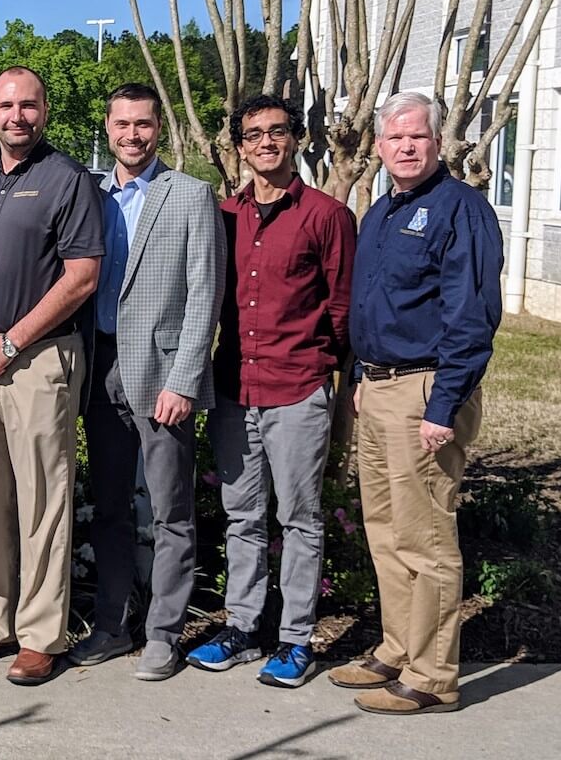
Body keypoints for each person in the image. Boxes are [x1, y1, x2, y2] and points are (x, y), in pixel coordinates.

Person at [332, 91, 502, 715]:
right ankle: (397, 648)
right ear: (378, 147)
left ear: (437, 143)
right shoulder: (380, 211)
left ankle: (433, 678)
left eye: (418, 137)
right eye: (395, 138)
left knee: (427, 536)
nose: (406, 147)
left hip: (426, 391)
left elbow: (473, 318)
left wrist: (443, 406)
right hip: (377, 388)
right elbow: (369, 308)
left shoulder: (462, 211)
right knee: (386, 529)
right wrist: (357, 380)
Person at [0, 66, 104, 686]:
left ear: (44, 110)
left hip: (38, 361)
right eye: (6, 105)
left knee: (44, 502)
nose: (17, 116)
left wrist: (13, 341)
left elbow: (81, 277)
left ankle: (41, 634)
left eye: (28, 105)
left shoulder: (68, 181)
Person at [186, 95, 355, 688]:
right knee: (241, 516)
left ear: (296, 139)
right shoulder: (224, 215)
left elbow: (340, 308)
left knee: (301, 518)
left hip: (297, 388)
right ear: (239, 147)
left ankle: (295, 638)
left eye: (277, 132)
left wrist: (322, 371)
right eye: (253, 134)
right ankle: (242, 627)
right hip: (235, 387)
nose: (266, 143)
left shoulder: (327, 216)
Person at [69, 83, 224, 682]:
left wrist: (184, 379)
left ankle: (163, 631)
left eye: (143, 124)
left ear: (161, 129)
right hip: (100, 373)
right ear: (107, 128)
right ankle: (111, 622)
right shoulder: (91, 195)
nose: (132, 135)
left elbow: (205, 295)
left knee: (170, 512)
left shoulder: (188, 195)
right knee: (107, 507)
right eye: (122, 124)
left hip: (162, 378)